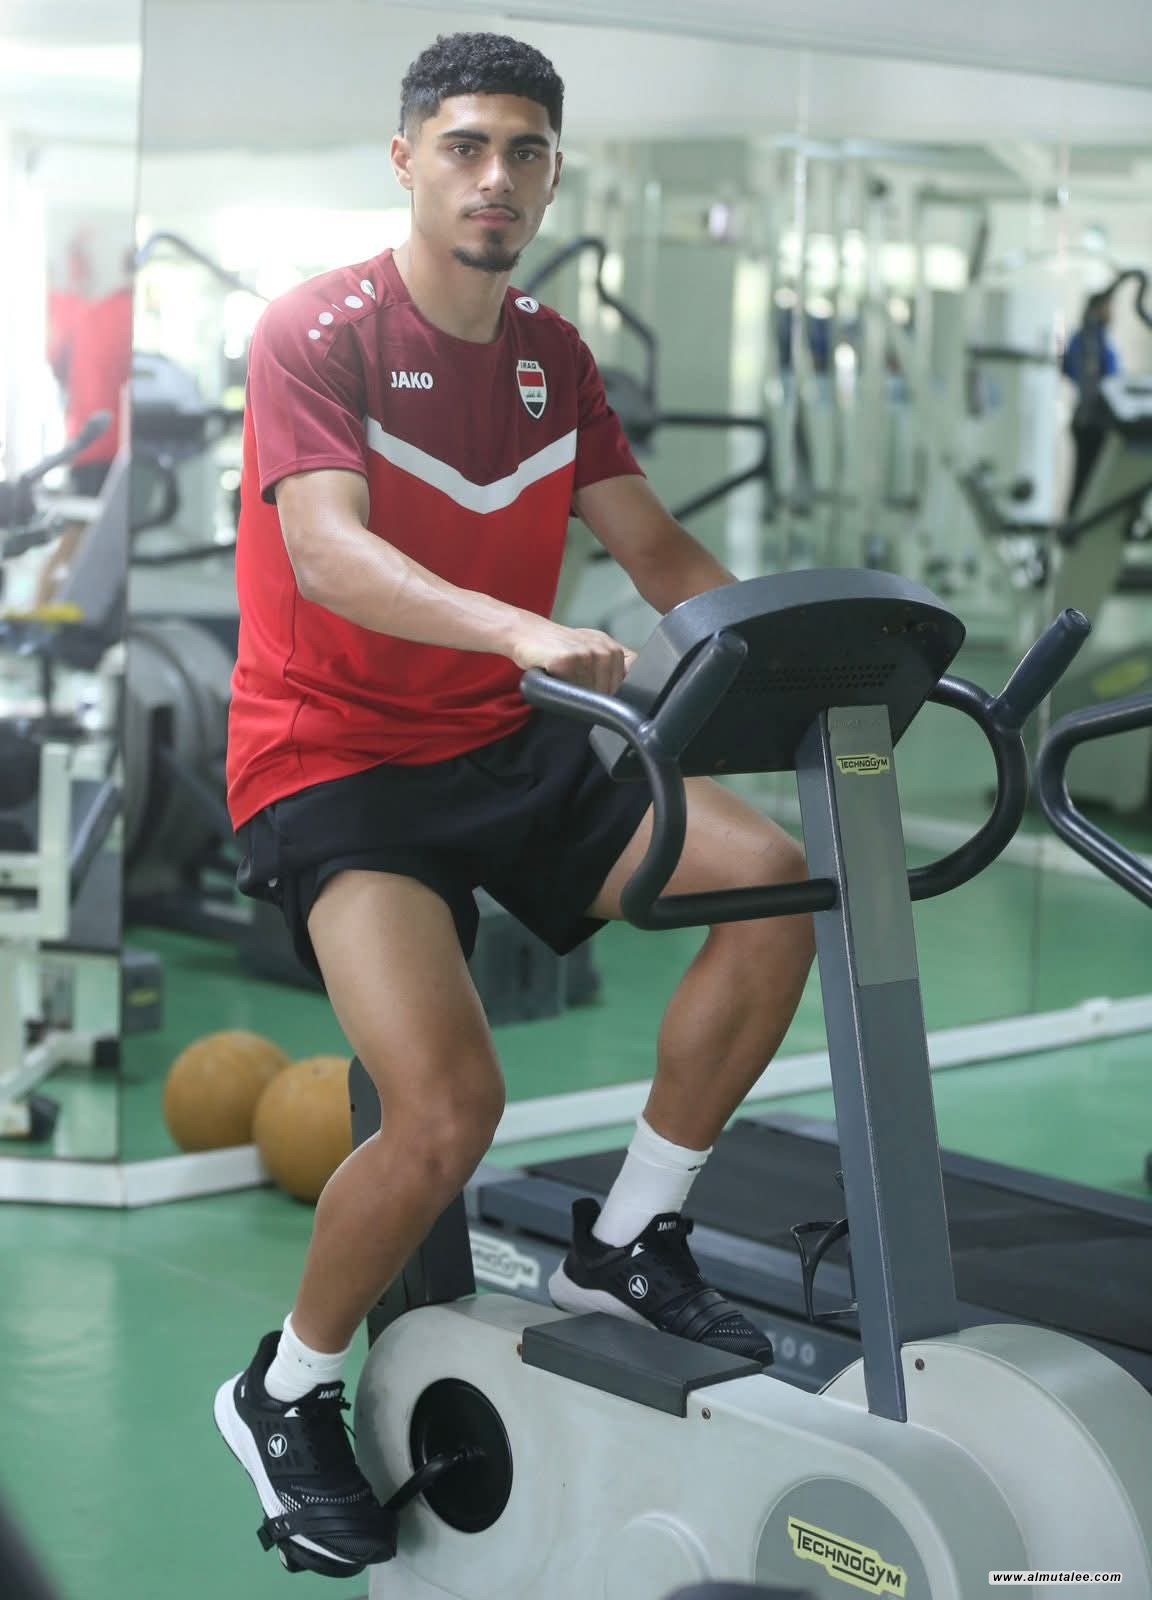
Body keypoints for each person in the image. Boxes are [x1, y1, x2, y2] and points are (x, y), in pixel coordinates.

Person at [214, 32, 815, 1579]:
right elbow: (328, 550)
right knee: (445, 1110)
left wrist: (810, 653)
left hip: (506, 741)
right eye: (467, 145)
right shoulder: (317, 332)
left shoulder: (553, 354)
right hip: (338, 761)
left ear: (553, 173)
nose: (498, 176)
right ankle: (285, 1390)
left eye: (526, 151)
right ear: (406, 158)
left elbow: (657, 551)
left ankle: (628, 1236)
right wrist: (518, 627)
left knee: (770, 890)